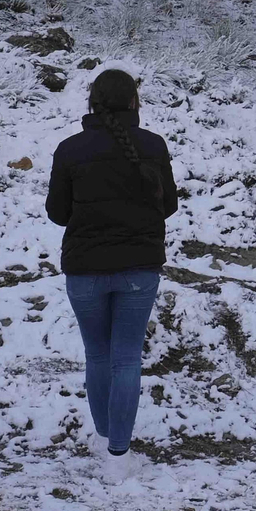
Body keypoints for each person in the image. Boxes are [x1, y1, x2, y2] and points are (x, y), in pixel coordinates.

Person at [45, 68, 178, 484]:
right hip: (139, 270)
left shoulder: (70, 149)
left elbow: (57, 213)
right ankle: (118, 458)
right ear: (134, 103)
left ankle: (105, 440)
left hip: (84, 272)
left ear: (92, 103)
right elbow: (168, 205)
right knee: (125, 359)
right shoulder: (153, 146)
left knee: (98, 356)